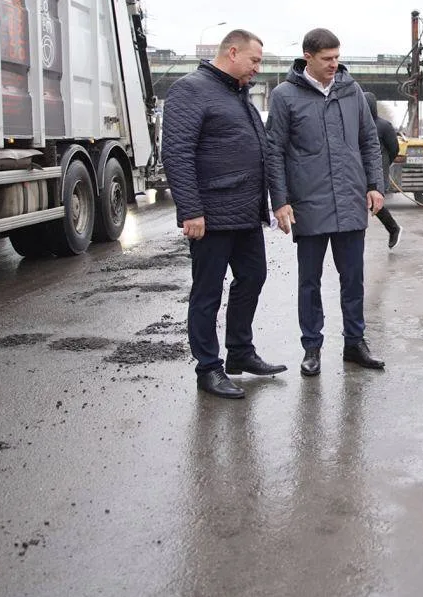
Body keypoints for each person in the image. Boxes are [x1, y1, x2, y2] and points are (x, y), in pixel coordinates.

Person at [162, 29, 287, 400]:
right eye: (255, 61)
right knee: (207, 293)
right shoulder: (191, 89)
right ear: (233, 52)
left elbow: (264, 152)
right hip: (211, 214)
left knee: (253, 276)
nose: (257, 68)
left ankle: (240, 352)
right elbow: (178, 153)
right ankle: (208, 369)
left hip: (246, 212)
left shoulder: (239, 96)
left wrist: (276, 201)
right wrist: (191, 210)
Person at [266, 28, 387, 377]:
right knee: (310, 281)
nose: (335, 64)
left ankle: (355, 343)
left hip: (350, 201)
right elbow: (274, 152)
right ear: (308, 57)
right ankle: (312, 347)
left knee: (353, 279)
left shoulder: (353, 94)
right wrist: (281, 201)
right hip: (308, 203)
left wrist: (375, 185)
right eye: (327, 59)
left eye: (337, 57)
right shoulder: (285, 96)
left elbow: (368, 141)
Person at [364, 91, 402, 249]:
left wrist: (384, 164)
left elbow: (394, 149)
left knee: (374, 203)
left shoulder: (384, 126)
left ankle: (394, 228)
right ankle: (393, 229)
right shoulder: (357, 125)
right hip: (360, 171)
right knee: (364, 203)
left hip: (378, 171)